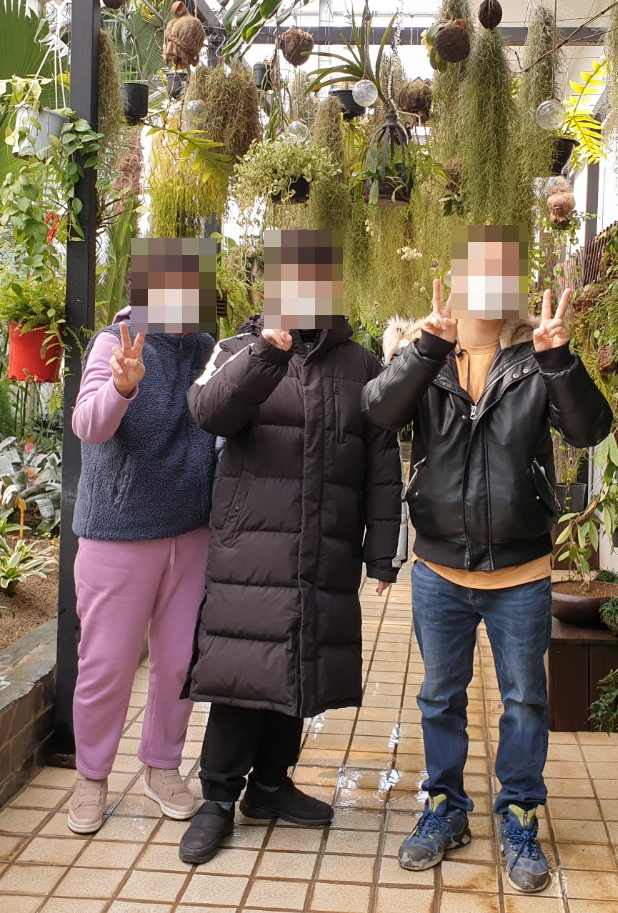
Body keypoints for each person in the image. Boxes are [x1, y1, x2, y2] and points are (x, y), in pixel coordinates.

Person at [362, 224, 612, 893]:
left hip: (521, 573)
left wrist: (560, 361)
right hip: (439, 570)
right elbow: (378, 412)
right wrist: (426, 350)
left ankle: (520, 817)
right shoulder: (423, 354)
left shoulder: (535, 359)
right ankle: (445, 809)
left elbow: (590, 429)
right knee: (439, 697)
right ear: (456, 280)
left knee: (525, 699)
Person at [178, 228, 403, 866]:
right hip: (251, 547)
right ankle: (218, 798)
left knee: (300, 661)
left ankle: (271, 785)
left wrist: (381, 553)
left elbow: (381, 463)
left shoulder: (362, 365)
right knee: (243, 668)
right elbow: (209, 412)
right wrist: (265, 355)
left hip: (324, 546)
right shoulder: (235, 349)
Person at [65, 236, 220, 834]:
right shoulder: (116, 341)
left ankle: (162, 766)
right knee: (107, 664)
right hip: (120, 533)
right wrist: (122, 387)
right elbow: (88, 425)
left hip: (191, 532)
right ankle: (91, 776)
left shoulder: (205, 347)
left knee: (179, 662)